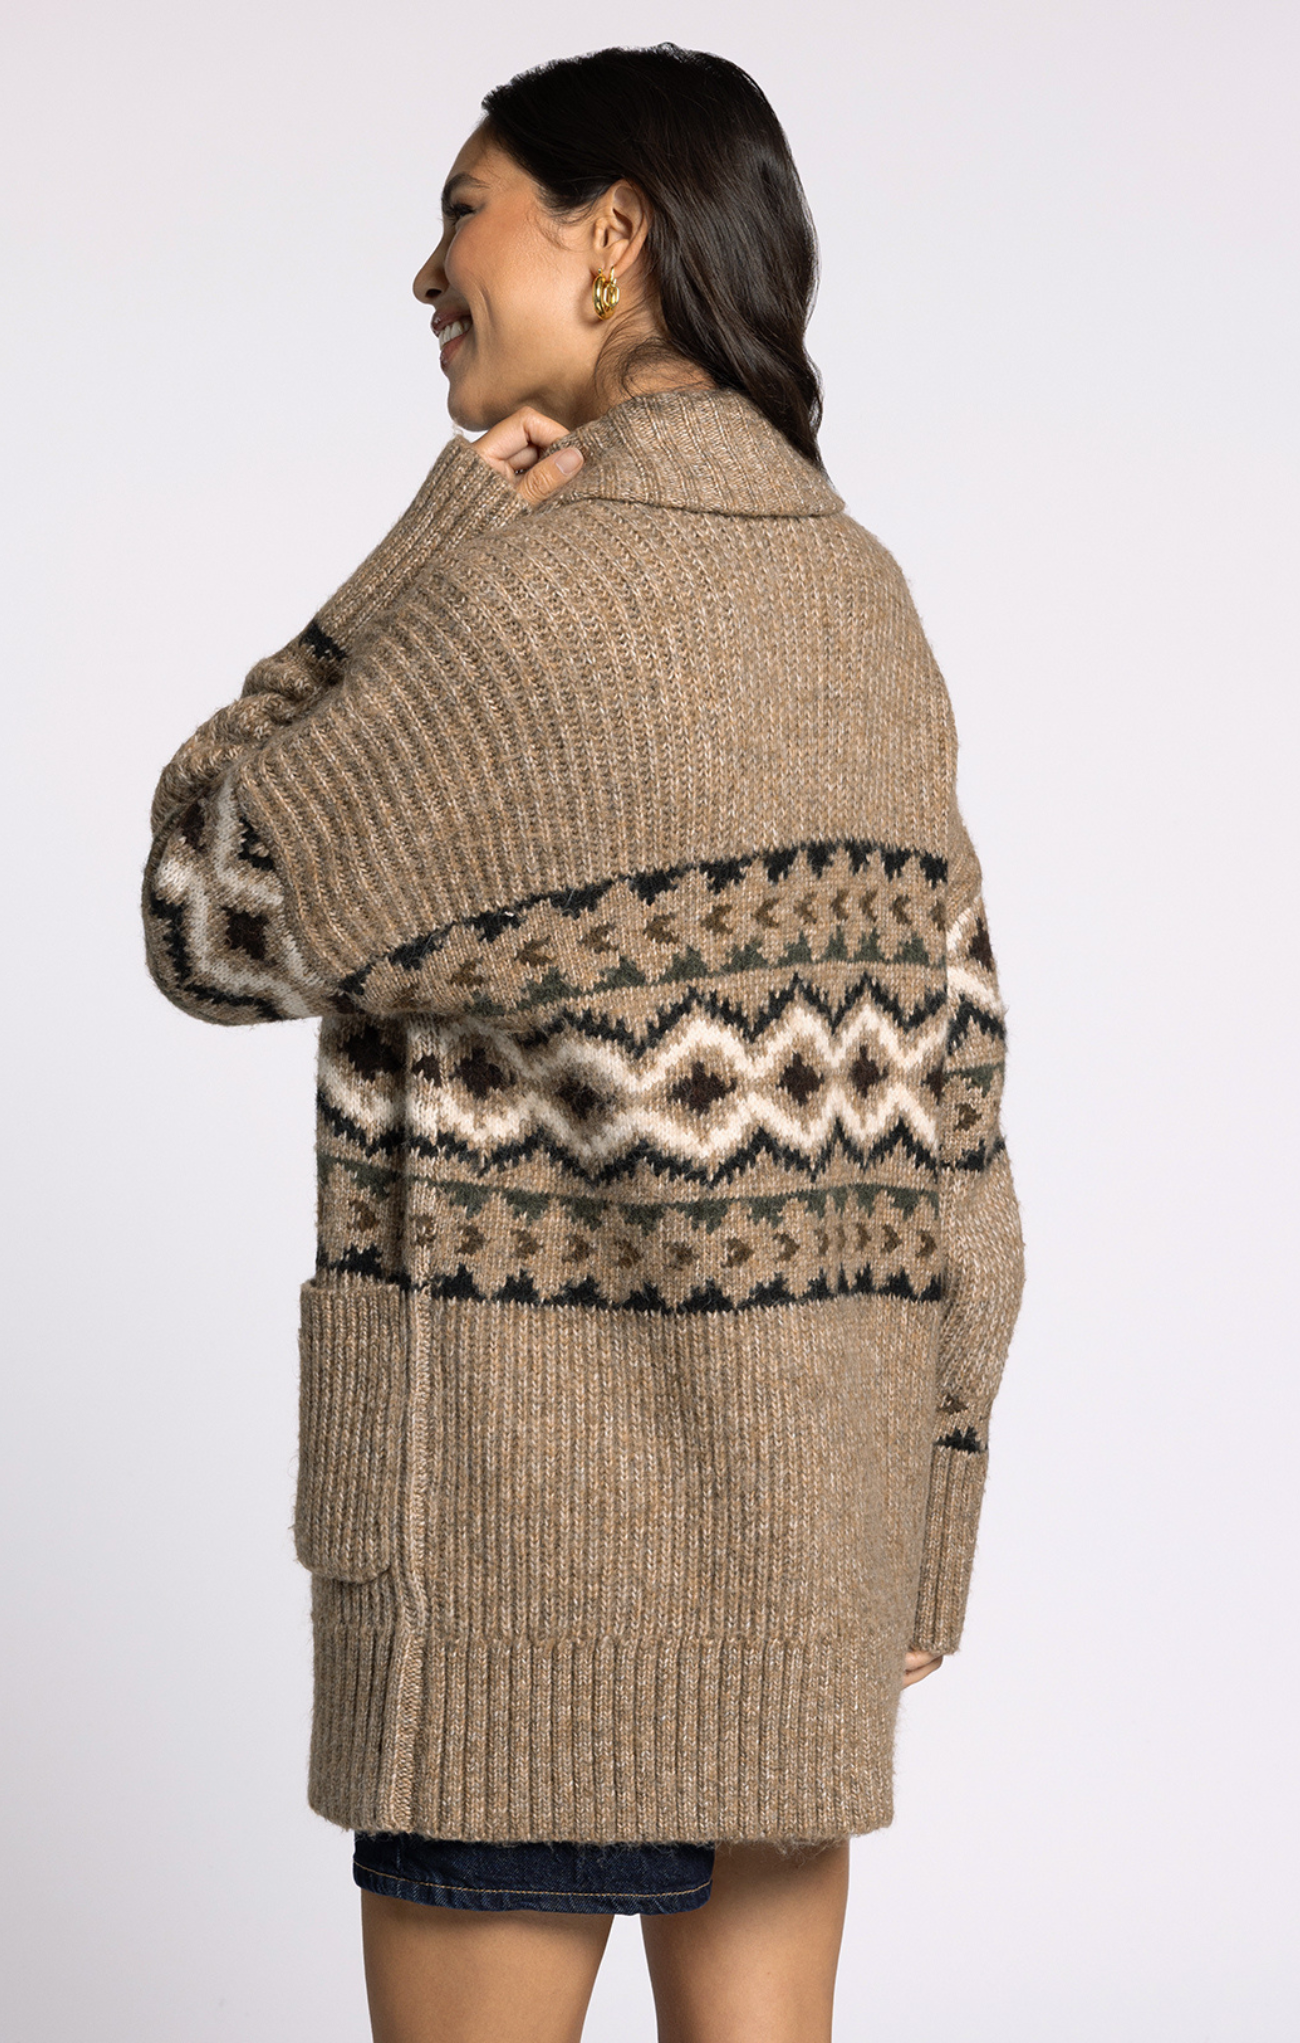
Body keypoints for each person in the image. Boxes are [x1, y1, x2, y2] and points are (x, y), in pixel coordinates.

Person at [141, 42, 1024, 2043]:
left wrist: (421, 548)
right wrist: (923, 1518)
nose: (422, 272)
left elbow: (201, 907)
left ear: (608, 238)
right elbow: (961, 1112)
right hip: (801, 1572)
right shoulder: (859, 602)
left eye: (463, 211)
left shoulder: (511, 609)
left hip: (519, 1577)